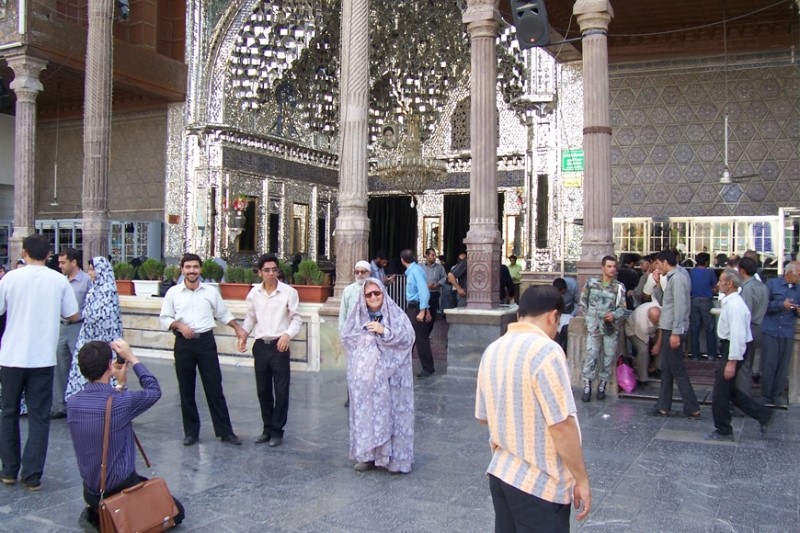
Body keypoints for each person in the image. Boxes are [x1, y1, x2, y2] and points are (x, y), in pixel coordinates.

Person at [476, 285, 591, 531]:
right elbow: (561, 425)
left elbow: (483, 416)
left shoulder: (493, 349)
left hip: (502, 472)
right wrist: (581, 478)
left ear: (520, 315)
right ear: (553, 316)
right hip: (540, 482)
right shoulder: (547, 350)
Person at [66, 339, 185, 530]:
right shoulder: (120, 402)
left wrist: (119, 386)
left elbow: (106, 413)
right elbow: (154, 391)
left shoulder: (72, 403)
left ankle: (98, 513)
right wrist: (132, 358)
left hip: (91, 490)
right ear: (108, 366)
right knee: (176, 511)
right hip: (120, 487)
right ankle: (111, 515)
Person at [0, 235, 79, 491]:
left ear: (24, 252)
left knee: (8, 413)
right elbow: (72, 313)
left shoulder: (10, 278)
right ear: (49, 255)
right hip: (42, 358)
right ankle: (32, 475)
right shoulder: (58, 280)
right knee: (39, 416)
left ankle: (9, 470)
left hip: (11, 356)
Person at [159, 253, 247, 446]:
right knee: (186, 389)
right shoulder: (173, 293)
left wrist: (238, 328)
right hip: (184, 344)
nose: (192, 271)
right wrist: (179, 326)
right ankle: (191, 432)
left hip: (206, 343)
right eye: (188, 267)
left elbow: (223, 313)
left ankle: (226, 432)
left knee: (214, 387)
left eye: (195, 267)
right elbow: (164, 317)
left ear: (200, 269)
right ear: (182, 269)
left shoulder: (210, 292)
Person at [341, 277, 415, 473]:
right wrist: (367, 339)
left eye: (377, 293)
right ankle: (366, 456)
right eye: (368, 294)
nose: (373, 297)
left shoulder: (396, 315)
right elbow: (348, 339)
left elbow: (408, 337)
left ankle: (392, 459)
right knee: (366, 416)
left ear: (383, 293)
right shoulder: (357, 317)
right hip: (366, 382)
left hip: (392, 380)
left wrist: (385, 332)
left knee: (392, 416)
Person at [239, 253, 302, 447]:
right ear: (260, 272)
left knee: (281, 391)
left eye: (274, 270)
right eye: (267, 270)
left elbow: (296, 318)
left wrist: (287, 335)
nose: (271, 273)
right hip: (261, 345)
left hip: (279, 346)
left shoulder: (288, 292)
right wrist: (243, 334)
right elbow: (251, 317)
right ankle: (267, 428)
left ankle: (277, 431)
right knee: (263, 390)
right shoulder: (254, 293)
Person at [706, 270, 775, 441]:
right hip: (731, 348)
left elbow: (737, 335)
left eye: (721, 281)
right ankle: (763, 414)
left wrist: (732, 361)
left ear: (729, 284)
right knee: (729, 391)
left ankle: (723, 429)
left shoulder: (736, 305)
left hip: (733, 349)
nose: (718, 284)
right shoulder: (732, 301)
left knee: (721, 393)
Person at [651, 250, 702, 419]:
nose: (656, 267)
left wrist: (676, 332)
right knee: (667, 368)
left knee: (677, 369)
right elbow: (665, 301)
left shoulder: (678, 278)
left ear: (665, 262)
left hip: (673, 329)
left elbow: (680, 307)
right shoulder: (674, 277)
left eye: (657, 263)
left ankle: (692, 406)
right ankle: (663, 406)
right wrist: (657, 284)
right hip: (669, 327)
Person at [64, 257, 123, 401]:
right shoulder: (93, 288)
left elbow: (106, 315)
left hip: (104, 339)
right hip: (88, 336)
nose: (90, 273)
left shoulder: (108, 289)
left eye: (92, 269)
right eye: (89, 269)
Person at [51, 248, 91, 419]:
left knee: (80, 367)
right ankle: (60, 405)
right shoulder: (60, 281)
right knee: (60, 366)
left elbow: (91, 305)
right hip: (61, 327)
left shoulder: (87, 281)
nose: (60, 266)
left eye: (63, 262)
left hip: (78, 326)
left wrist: (79, 316)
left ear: (74, 262)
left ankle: (80, 404)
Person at [579, 256, 626, 402]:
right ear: (603, 267)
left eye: (614, 266)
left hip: (610, 328)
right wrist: (589, 318)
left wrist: (614, 315)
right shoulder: (591, 283)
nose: (613, 269)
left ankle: (602, 385)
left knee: (608, 356)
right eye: (610, 266)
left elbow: (623, 308)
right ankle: (587, 385)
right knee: (591, 354)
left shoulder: (618, 287)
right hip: (593, 326)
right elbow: (583, 302)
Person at [759, 261, 800, 408]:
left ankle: (777, 395)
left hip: (786, 331)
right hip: (771, 330)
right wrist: (781, 305)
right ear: (789, 273)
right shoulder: (772, 284)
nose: (799, 276)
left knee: (783, 366)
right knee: (769, 364)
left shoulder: (798, 289)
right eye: (798, 273)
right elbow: (764, 305)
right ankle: (766, 395)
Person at [339, 260, 371, 408]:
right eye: (357, 272)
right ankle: (350, 397)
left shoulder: (375, 289)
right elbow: (343, 314)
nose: (359, 275)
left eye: (362, 272)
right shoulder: (348, 290)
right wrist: (343, 334)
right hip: (352, 336)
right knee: (352, 367)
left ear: (368, 273)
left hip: (369, 335)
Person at [735, 257, 769, 397]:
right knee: (748, 364)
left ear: (742, 271)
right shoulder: (763, 286)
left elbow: (745, 312)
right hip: (759, 326)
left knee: (743, 367)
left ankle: (742, 400)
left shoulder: (747, 288)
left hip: (749, 327)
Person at [400, 249, 434, 378]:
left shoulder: (415, 271)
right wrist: (427, 309)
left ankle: (428, 367)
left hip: (416, 308)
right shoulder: (414, 271)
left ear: (402, 260)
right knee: (412, 336)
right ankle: (407, 364)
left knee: (420, 338)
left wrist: (422, 310)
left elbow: (423, 291)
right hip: (415, 307)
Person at [689, 252, 718, 360]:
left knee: (694, 329)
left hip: (694, 301)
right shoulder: (710, 272)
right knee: (709, 328)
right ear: (706, 262)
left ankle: (695, 355)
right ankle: (711, 354)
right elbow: (716, 287)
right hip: (706, 301)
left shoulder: (691, 272)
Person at [624, 302, 662, 385]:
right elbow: (646, 342)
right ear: (649, 318)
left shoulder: (661, 311)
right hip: (633, 330)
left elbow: (661, 329)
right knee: (643, 350)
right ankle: (643, 378)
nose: (658, 322)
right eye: (656, 321)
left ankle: (657, 368)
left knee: (661, 344)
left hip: (652, 331)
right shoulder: (641, 322)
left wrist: (658, 345)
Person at [421, 248, 446, 333]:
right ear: (427, 256)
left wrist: (437, 284)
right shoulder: (420, 267)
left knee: (432, 315)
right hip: (423, 294)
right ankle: (423, 334)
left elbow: (444, 277)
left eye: (435, 255)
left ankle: (427, 333)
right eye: (432, 255)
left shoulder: (439, 267)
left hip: (434, 294)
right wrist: (425, 286)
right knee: (423, 314)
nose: (434, 257)